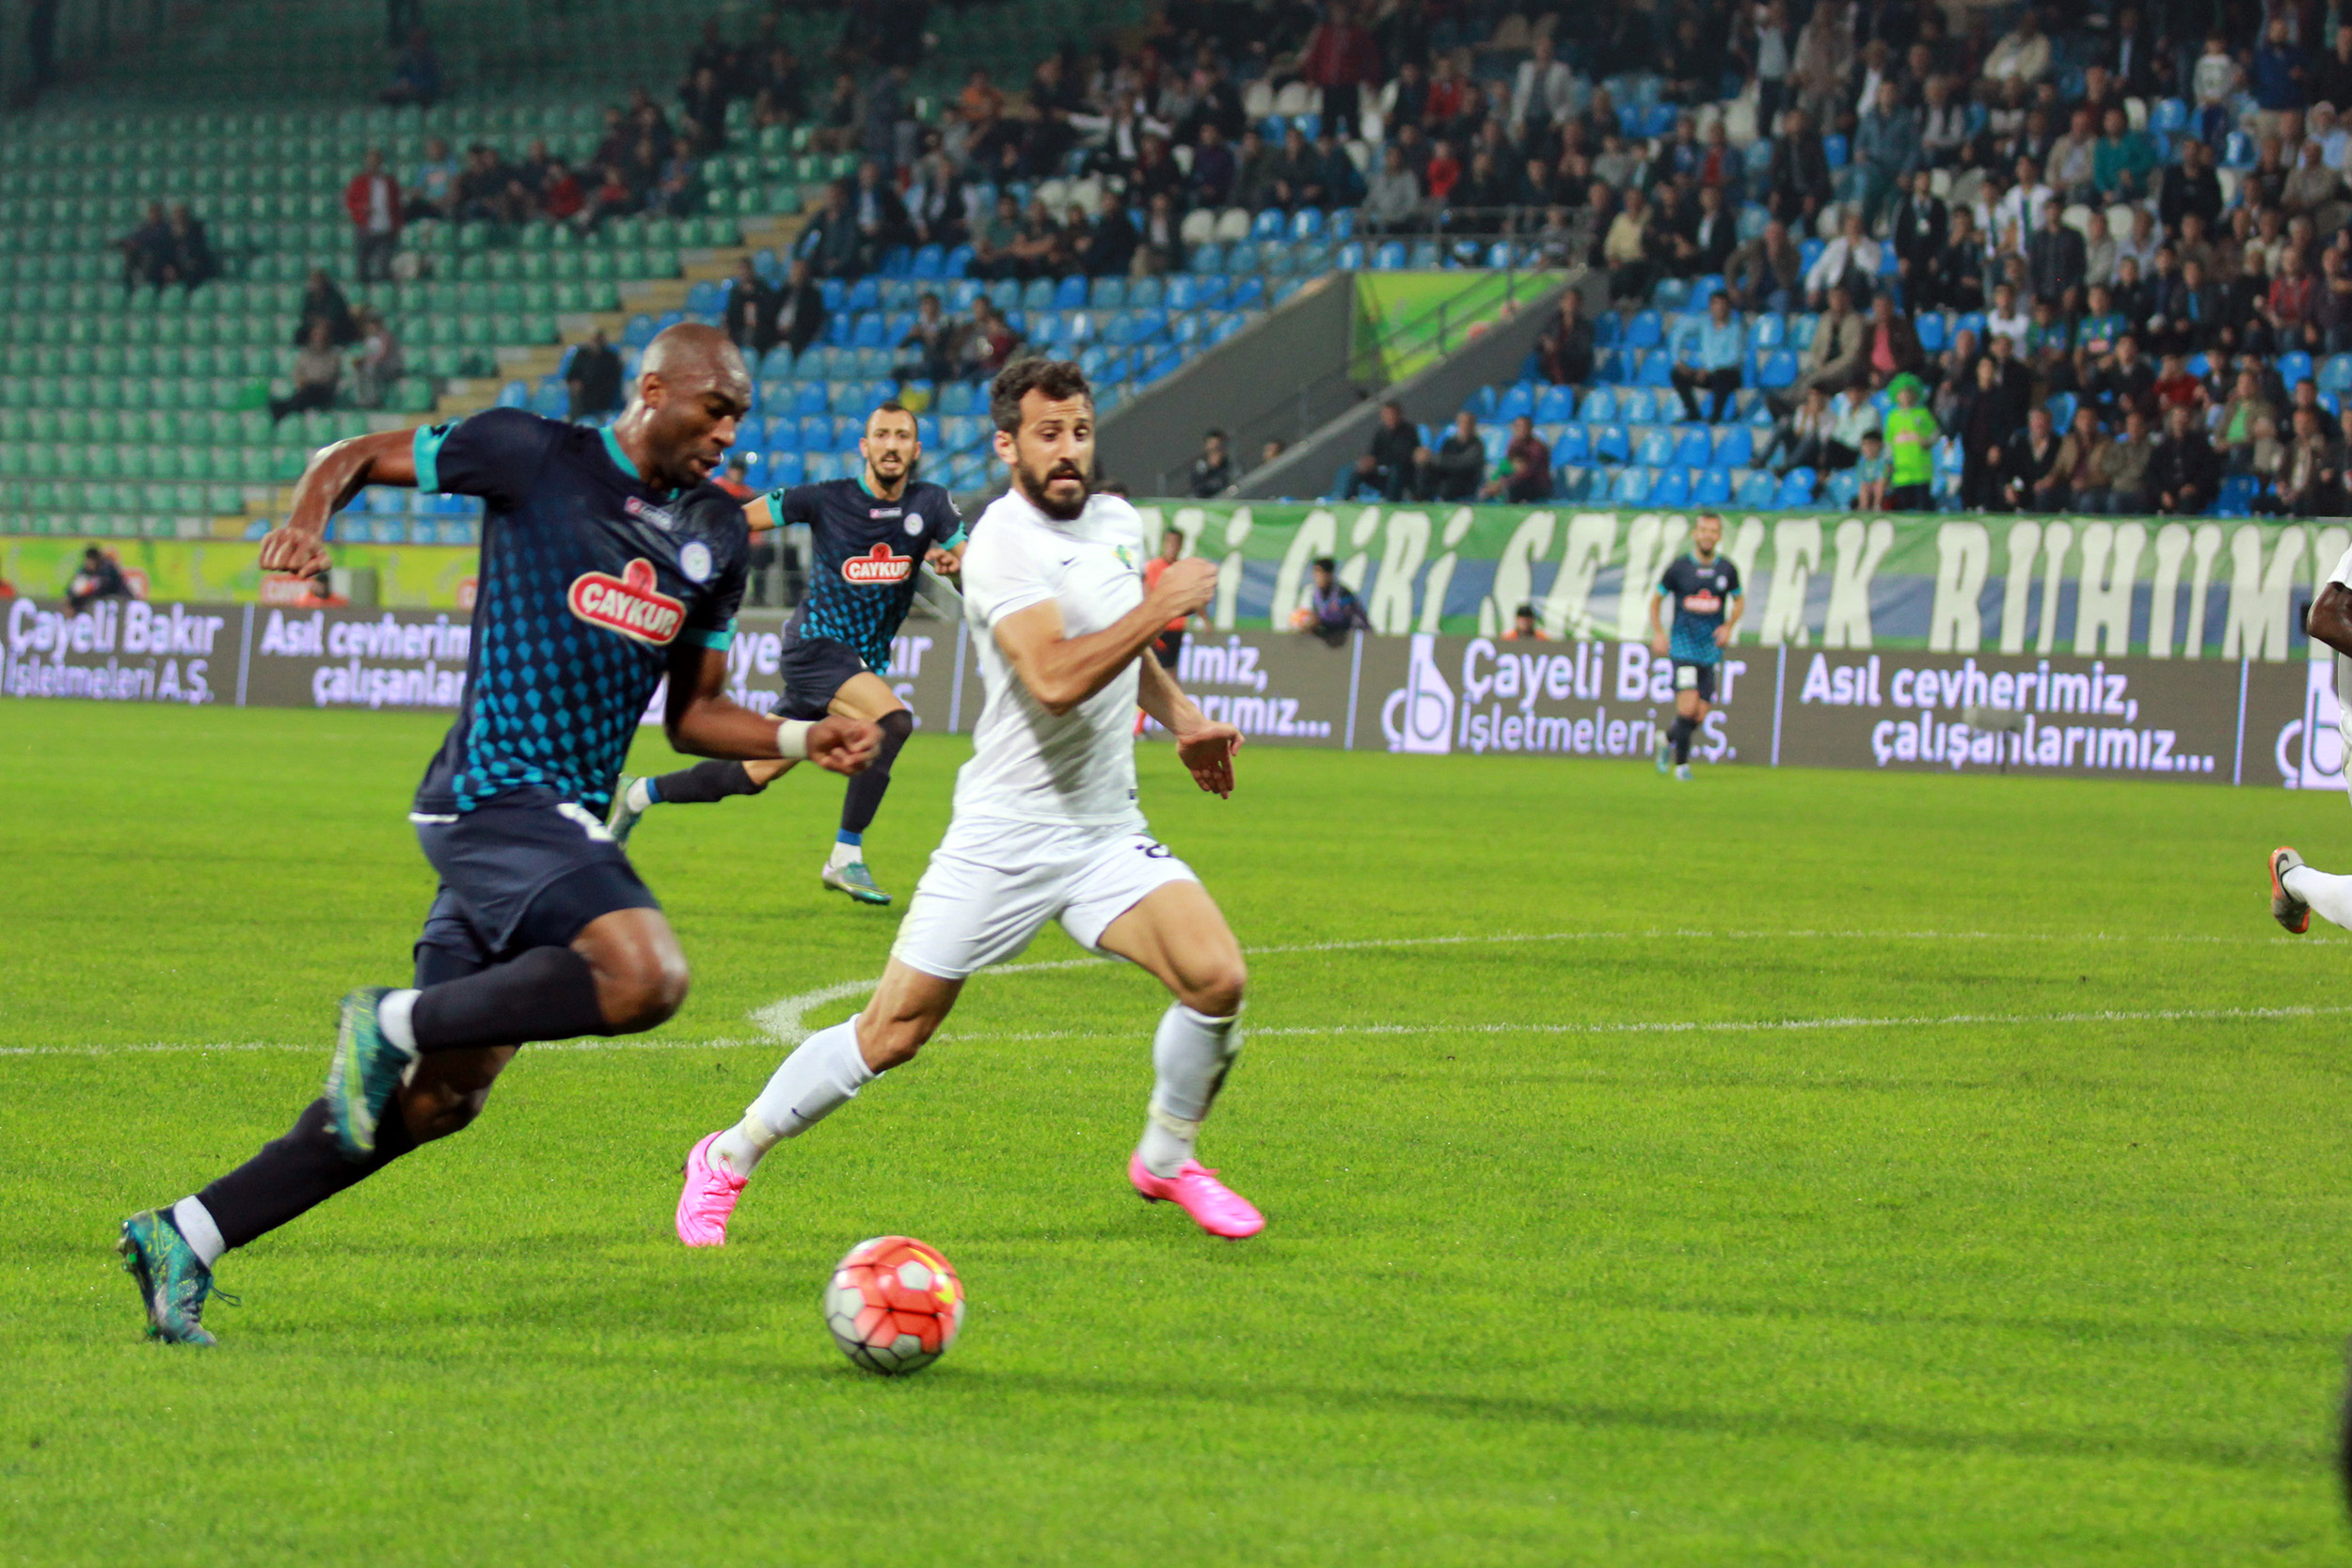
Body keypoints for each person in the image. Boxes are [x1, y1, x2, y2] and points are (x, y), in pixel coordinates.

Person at [116, 325, 880, 1346]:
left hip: (558, 827)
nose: (730, 431)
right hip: (490, 795)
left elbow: (692, 712)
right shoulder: (534, 453)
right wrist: (307, 523)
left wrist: (799, 731)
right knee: (645, 975)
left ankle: (187, 1232)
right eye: (716, 407)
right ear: (653, 389)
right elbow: (345, 457)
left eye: (740, 414)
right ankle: (387, 1020)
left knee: (441, 1100)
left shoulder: (714, 531)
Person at [671, 356, 1263, 1249]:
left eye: (1081, 431)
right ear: (1008, 444)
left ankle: (1169, 1158)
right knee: (891, 1032)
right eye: (1047, 434)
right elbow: (1057, 675)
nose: (1068, 451)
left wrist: (1184, 717)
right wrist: (1163, 603)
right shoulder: (997, 544)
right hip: (1005, 833)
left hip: (1104, 829)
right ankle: (727, 1154)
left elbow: (1120, 653)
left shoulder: (1113, 521)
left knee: (1217, 979)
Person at [608, 402, 961, 909]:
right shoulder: (825, 498)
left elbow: (977, 575)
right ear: (864, 446)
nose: (891, 445)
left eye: (902, 436)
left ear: (916, 449)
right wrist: (673, 539)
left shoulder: (932, 505)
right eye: (881, 434)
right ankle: (845, 855)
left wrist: (954, 572)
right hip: (816, 649)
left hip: (854, 666)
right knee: (893, 721)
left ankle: (639, 793)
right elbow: (736, 519)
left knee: (753, 774)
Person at [1648, 512, 1741, 783]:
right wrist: (1658, 632)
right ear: (1695, 533)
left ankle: (1665, 739)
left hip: (1709, 650)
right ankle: (1682, 766)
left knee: (1700, 714)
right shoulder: (1679, 568)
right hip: (1683, 648)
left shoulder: (1727, 570)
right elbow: (1655, 601)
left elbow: (1740, 600)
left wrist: (1728, 627)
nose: (1708, 535)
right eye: (1703, 530)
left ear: (1719, 536)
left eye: (1713, 531)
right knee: (1687, 708)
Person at [1670, 291, 1745, 424]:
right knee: (1677, 374)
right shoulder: (1704, 324)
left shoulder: (1736, 328)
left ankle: (1716, 416)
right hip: (1707, 373)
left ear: (1728, 307)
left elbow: (1734, 358)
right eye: (1716, 304)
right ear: (1711, 307)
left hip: (1728, 374)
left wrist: (1710, 369)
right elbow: (1679, 331)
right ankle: (1693, 413)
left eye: (1723, 305)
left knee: (1721, 375)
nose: (1719, 309)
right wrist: (1677, 360)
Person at [1141, 525, 1200, 674]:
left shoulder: (1183, 569)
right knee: (1151, 671)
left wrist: (1204, 618)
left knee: (1170, 671)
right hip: (1157, 628)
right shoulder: (1152, 567)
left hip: (1175, 629)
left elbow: (1193, 598)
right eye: (1169, 542)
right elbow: (1146, 596)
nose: (1172, 547)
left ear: (1181, 546)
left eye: (1176, 543)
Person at [345, 150, 402, 283]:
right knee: (362, 266)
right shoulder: (359, 182)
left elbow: (397, 205)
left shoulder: (389, 182)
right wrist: (361, 210)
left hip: (386, 229)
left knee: (384, 266)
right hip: (366, 227)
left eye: (376, 161)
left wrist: (397, 225)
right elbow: (350, 202)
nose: (373, 165)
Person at [1882, 372, 1936, 510]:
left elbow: (1935, 434)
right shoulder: (1892, 417)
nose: (1906, 396)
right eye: (1902, 393)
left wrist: (1928, 441)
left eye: (1909, 392)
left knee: (1923, 506)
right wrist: (1889, 463)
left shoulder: (1923, 414)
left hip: (1921, 471)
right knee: (1903, 506)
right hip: (1901, 473)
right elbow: (1889, 442)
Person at [270, 323, 342, 424]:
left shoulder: (333, 356)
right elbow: (297, 372)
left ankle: (284, 408)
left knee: (308, 392)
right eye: (316, 335)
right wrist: (302, 381)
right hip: (306, 389)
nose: (319, 339)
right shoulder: (305, 355)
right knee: (304, 394)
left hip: (323, 391)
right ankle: (286, 407)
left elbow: (329, 377)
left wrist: (309, 381)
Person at [1353, 400, 1421, 500]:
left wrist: (1381, 461)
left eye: (1391, 414)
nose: (1389, 418)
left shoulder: (1409, 431)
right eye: (1386, 415)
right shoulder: (1380, 433)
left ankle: (1392, 501)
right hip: (1383, 470)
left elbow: (1405, 455)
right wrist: (1368, 462)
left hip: (1404, 472)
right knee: (1356, 470)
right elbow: (1373, 452)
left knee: (1396, 470)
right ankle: (1348, 500)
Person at [1296, 556, 1371, 646]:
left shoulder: (1342, 594)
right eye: (1315, 573)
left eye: (1321, 573)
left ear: (1329, 574)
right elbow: (1319, 617)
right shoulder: (1316, 595)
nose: (1317, 577)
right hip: (1338, 640)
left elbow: (1345, 620)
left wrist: (1319, 622)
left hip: (1359, 637)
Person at [564, 329, 623, 421]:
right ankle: (577, 421)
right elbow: (571, 375)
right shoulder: (581, 355)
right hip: (584, 392)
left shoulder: (610, 357)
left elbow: (615, 377)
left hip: (603, 391)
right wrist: (576, 383)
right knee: (575, 393)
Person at [66, 546, 133, 615]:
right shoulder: (84, 570)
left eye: (92, 560)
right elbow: (71, 589)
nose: (89, 563)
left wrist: (87, 590)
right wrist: (76, 593)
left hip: (121, 603)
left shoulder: (107, 568)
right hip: (103, 608)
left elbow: (104, 588)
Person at [1852, 429, 1892, 509]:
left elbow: (1885, 479)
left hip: (1886, 492)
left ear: (1880, 445)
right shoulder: (1862, 463)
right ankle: (1863, 507)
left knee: (1879, 484)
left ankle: (1877, 506)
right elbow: (1862, 480)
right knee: (1864, 487)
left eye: (1872, 444)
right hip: (1869, 489)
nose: (1868, 448)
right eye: (1865, 445)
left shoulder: (1884, 461)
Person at [1189, 430, 1235, 497]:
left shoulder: (1229, 465)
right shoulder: (1199, 467)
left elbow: (1234, 482)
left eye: (1218, 448)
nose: (1215, 453)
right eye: (1212, 450)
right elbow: (1198, 487)